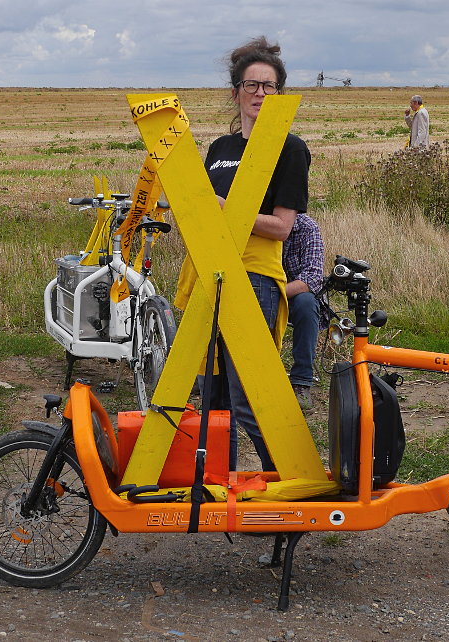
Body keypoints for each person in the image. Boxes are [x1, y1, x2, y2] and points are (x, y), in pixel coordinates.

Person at [174, 36, 311, 471]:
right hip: (209, 277)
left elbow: (282, 227)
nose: (258, 95)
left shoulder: (289, 148)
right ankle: (222, 486)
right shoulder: (220, 149)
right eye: (250, 86)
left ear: (279, 95)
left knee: (250, 395)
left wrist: (228, 211)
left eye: (268, 87)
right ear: (235, 93)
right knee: (212, 397)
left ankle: (285, 484)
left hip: (253, 280)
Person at [282, 212, 325, 410]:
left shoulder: (308, 228)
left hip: (294, 296)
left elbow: (312, 278)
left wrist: (275, 294)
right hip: (260, 290)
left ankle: (301, 381)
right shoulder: (257, 223)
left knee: (307, 304)